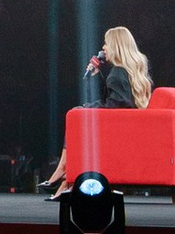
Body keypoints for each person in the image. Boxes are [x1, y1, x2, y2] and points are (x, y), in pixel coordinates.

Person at [40, 26, 152, 195]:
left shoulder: (118, 72)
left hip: (117, 131)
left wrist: (87, 108)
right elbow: (115, 100)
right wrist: (97, 76)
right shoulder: (130, 72)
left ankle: (64, 170)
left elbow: (116, 105)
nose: (103, 48)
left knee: (77, 115)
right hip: (127, 129)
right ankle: (64, 177)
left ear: (115, 46)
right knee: (79, 113)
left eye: (106, 43)